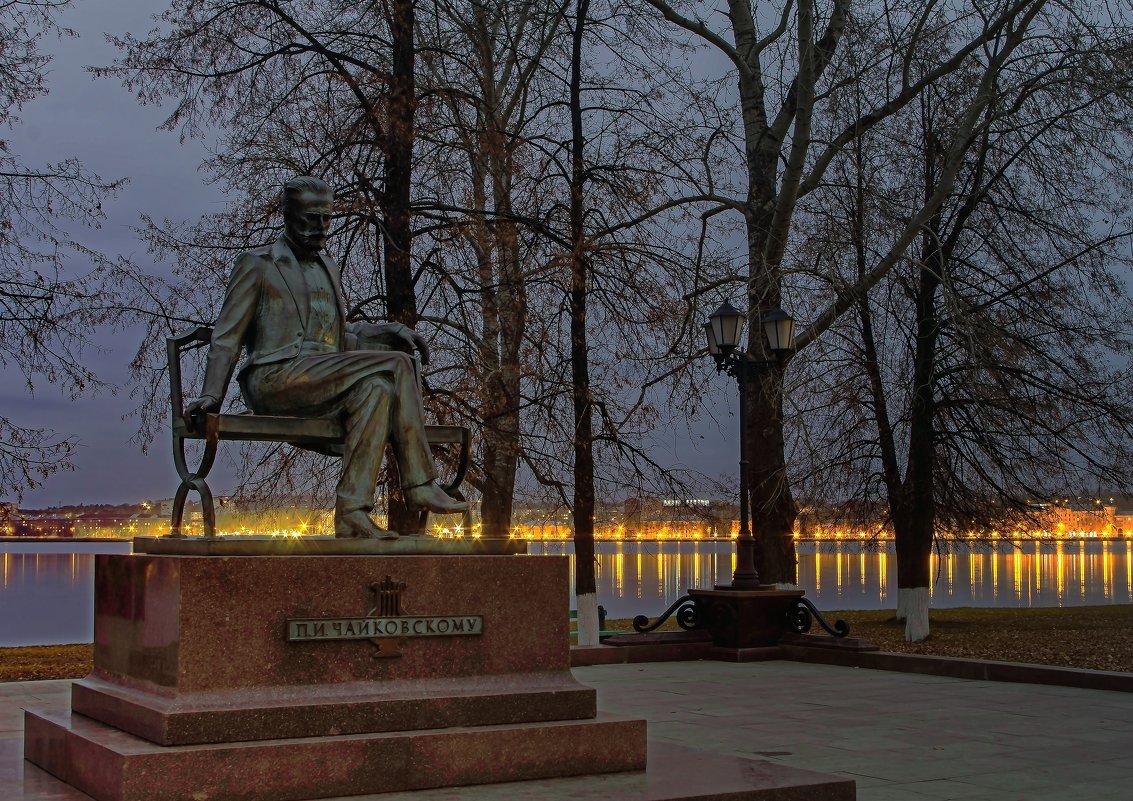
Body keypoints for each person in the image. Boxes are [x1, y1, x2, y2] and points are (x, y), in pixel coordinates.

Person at [183, 175, 467, 539]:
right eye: (311, 218)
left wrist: (387, 331)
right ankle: (419, 484)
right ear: (288, 216)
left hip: (323, 378)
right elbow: (226, 336)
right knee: (396, 366)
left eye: (326, 219)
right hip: (275, 378)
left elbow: (338, 338)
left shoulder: (327, 267)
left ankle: (352, 512)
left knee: (379, 387)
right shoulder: (258, 264)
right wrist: (212, 396)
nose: (321, 227)